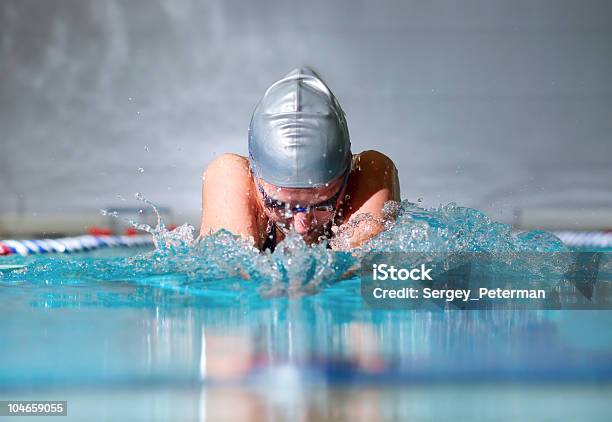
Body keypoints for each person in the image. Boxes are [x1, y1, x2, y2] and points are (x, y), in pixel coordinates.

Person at [200, 67, 399, 251]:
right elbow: (228, 280)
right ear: (254, 177)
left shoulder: (369, 177)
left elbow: (365, 280)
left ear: (348, 174)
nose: (301, 226)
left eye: (322, 205)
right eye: (280, 205)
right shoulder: (231, 179)